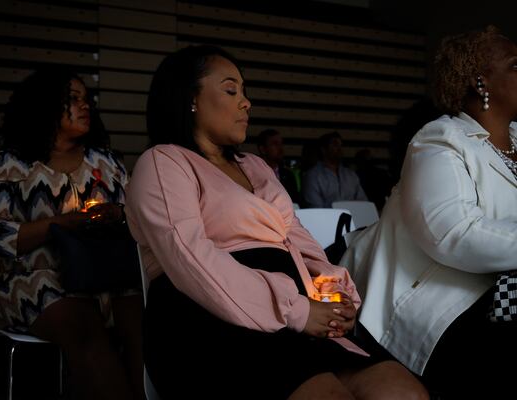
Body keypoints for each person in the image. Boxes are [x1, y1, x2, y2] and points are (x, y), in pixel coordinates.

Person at [125, 45, 428, 400]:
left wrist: (334, 293)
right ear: (190, 98)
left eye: (245, 92)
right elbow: (190, 258)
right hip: (206, 318)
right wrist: (296, 309)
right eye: (230, 90)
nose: (246, 102)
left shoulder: (254, 165)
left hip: (294, 314)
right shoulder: (164, 162)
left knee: (404, 392)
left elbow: (297, 239)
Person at [340, 25, 517, 398]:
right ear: (480, 82)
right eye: (516, 64)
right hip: (440, 302)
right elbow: (454, 234)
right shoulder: (439, 139)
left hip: (501, 293)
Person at [0, 68, 143, 400]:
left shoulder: (106, 162)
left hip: (106, 276)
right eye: (73, 99)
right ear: (45, 106)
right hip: (30, 280)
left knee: (143, 325)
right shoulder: (11, 165)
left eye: (87, 100)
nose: (85, 106)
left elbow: (137, 217)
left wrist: (117, 215)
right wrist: (62, 225)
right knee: (83, 326)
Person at [302, 132, 367, 208]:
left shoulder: (351, 175)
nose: (339, 149)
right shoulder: (313, 176)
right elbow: (316, 208)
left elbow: (363, 203)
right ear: (323, 149)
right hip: (327, 219)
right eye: (335, 145)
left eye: (341, 145)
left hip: (353, 218)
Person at [256, 128, 301, 204]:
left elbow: (295, 202)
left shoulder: (288, 175)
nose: (281, 149)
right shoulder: (254, 173)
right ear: (263, 149)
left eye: (281, 144)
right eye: (275, 144)